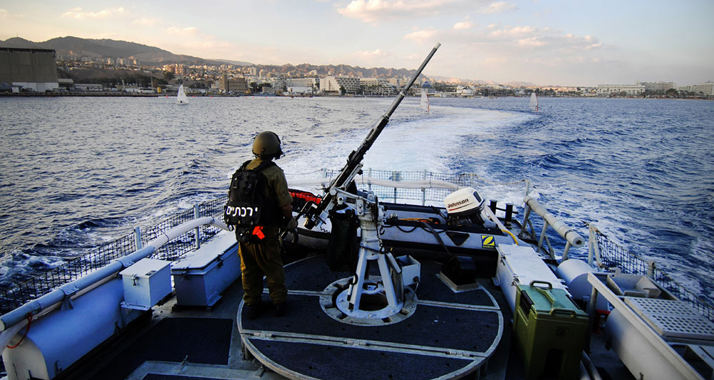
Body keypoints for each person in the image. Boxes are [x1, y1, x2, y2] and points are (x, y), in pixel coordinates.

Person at [237, 131, 297, 319]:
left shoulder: (243, 169)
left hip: (243, 230)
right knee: (272, 265)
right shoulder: (274, 173)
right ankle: (278, 303)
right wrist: (289, 222)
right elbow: (285, 206)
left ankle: (252, 304)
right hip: (264, 231)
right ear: (274, 149)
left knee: (248, 268)